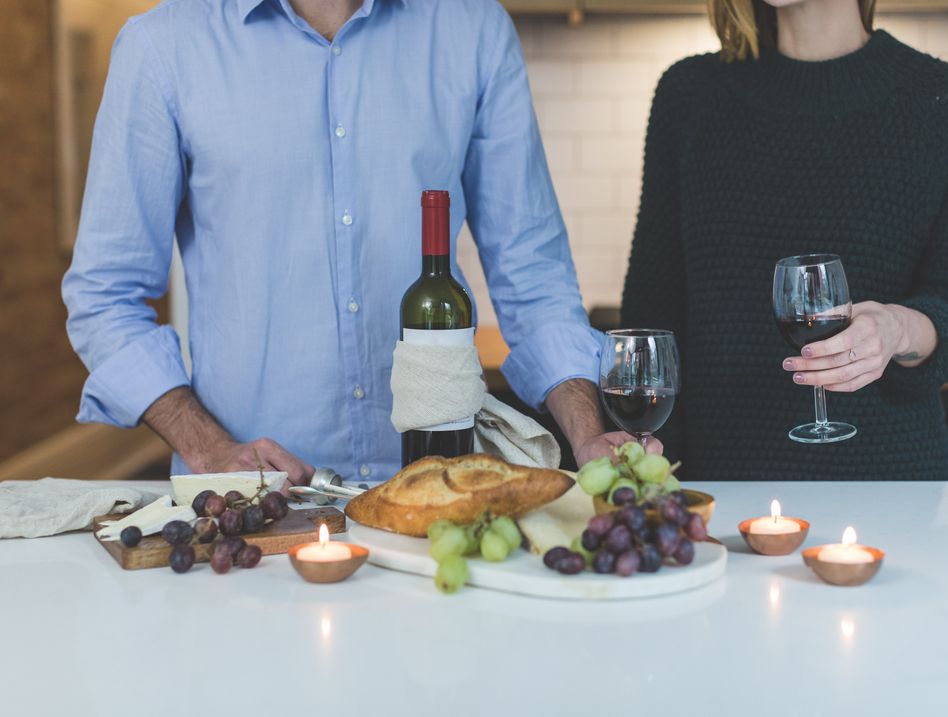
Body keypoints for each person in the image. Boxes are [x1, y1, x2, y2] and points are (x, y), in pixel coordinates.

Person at [62, 0, 651, 488]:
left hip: (437, 498)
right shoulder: (163, 47)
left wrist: (586, 432)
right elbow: (105, 297)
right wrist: (210, 448)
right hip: (254, 509)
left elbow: (533, 273)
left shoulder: (473, 31)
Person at [621, 0, 948, 479]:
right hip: (716, 487)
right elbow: (651, 311)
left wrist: (895, 328)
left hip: (889, 488)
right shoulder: (688, 95)